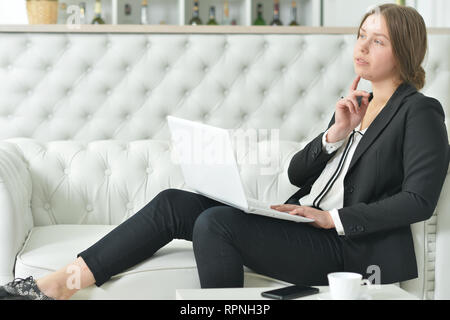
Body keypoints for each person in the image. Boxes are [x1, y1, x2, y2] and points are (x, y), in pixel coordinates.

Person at [1, 3, 448, 300]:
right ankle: (60, 283)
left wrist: (333, 219)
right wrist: (335, 134)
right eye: (362, 35)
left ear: (404, 51)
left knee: (216, 223)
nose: (362, 47)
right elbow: (297, 172)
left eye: (378, 40)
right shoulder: (360, 105)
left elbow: (419, 200)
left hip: (349, 250)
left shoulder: (420, 111)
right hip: (305, 226)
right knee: (176, 202)